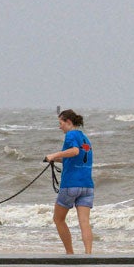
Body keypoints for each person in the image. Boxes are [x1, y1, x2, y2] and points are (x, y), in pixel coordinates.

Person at [45, 109, 94, 254]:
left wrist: (55, 154)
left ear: (68, 122)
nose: (59, 127)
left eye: (60, 123)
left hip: (71, 185)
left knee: (58, 219)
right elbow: (74, 157)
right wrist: (55, 159)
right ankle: (88, 254)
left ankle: (70, 253)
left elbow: (75, 152)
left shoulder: (71, 134)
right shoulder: (84, 138)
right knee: (84, 222)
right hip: (87, 186)